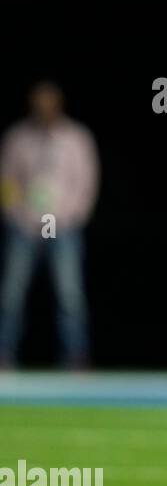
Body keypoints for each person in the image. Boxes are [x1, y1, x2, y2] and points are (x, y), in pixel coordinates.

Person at [0, 81, 98, 368]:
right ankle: (4, 354)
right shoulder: (17, 137)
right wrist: (17, 216)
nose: (44, 108)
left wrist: (69, 217)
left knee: (70, 293)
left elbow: (86, 182)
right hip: (25, 227)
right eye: (39, 103)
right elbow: (7, 182)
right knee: (11, 293)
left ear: (58, 105)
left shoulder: (77, 138)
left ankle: (76, 358)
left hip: (63, 225)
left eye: (49, 102)